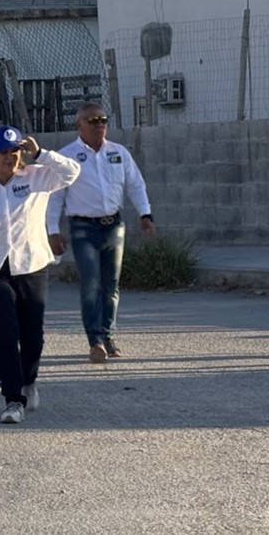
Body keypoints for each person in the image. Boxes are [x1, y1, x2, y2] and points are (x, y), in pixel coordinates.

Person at [0, 125, 80, 424]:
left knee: (33, 336)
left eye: (15, 152)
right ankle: (13, 399)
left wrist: (42, 154)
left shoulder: (37, 177)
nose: (10, 158)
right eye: (3, 153)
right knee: (5, 334)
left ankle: (29, 381)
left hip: (31, 266)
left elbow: (73, 172)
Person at [46, 101, 155, 364]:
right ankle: (94, 339)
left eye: (103, 120)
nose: (99, 125)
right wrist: (53, 231)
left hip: (114, 226)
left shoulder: (118, 153)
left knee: (111, 285)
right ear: (78, 125)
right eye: (92, 121)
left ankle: (108, 336)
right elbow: (54, 197)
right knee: (91, 284)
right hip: (83, 227)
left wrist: (145, 214)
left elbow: (135, 185)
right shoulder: (67, 156)